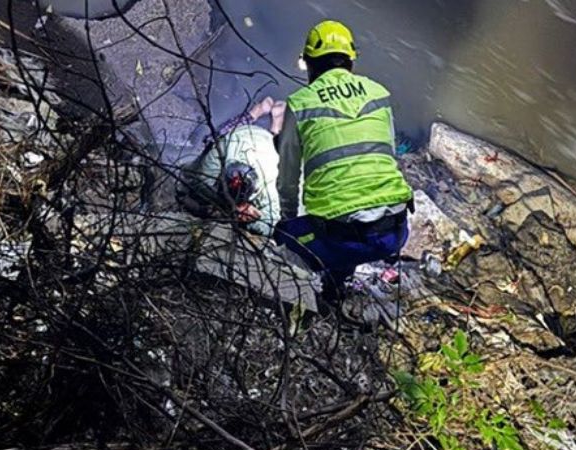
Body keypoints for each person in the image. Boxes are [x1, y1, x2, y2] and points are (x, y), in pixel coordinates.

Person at [275, 20, 414, 294]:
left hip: (342, 241)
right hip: (396, 232)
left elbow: (288, 179)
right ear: (350, 62)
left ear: (310, 65)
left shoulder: (300, 103)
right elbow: (387, 153)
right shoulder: (379, 93)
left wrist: (287, 219)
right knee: (343, 223)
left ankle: (323, 290)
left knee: (286, 236)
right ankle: (340, 281)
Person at [176, 97, 286, 236]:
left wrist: (253, 218)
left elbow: (271, 222)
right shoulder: (220, 155)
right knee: (213, 139)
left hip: (266, 145)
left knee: (281, 151)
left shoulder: (269, 180)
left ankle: (275, 128)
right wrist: (229, 208)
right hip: (240, 136)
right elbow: (197, 180)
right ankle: (255, 113)